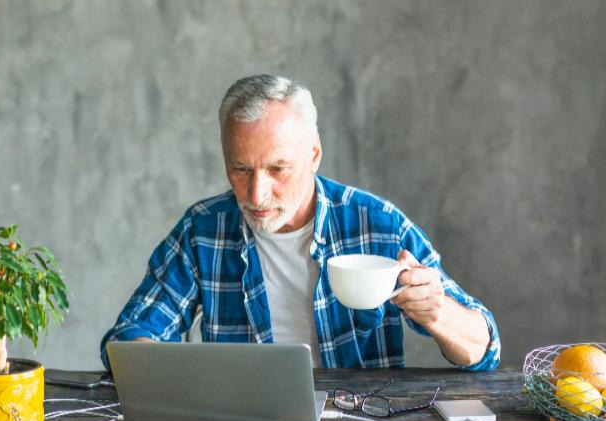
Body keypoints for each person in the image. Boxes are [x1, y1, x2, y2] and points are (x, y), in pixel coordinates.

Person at [99, 74, 500, 371]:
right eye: (240, 169)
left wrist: (437, 313)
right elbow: (127, 338)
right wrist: (152, 357)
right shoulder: (204, 229)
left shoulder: (377, 224)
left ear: (313, 155)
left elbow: (487, 348)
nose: (256, 195)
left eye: (278, 168)